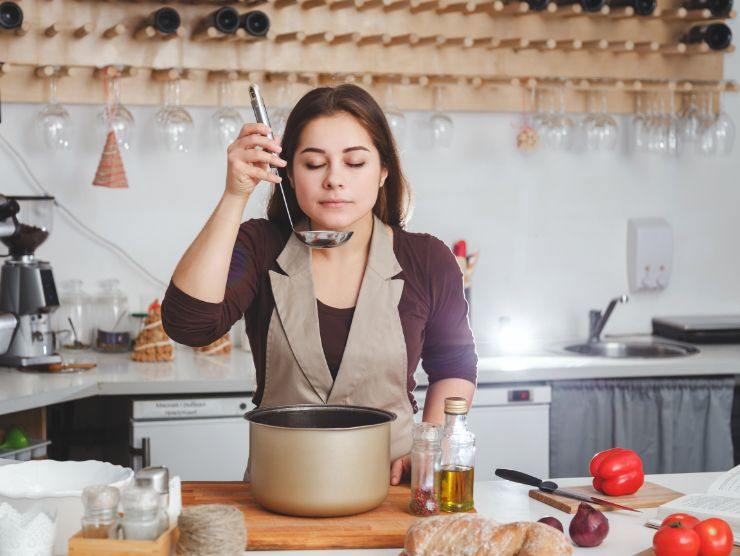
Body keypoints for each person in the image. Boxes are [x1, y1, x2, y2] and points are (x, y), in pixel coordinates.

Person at [161, 84, 477, 484]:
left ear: (383, 171)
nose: (334, 180)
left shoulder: (427, 259)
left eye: (355, 162)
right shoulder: (262, 247)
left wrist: (429, 448)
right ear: (288, 174)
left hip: (394, 487)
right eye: (313, 164)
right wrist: (234, 193)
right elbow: (189, 325)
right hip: (280, 486)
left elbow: (454, 367)